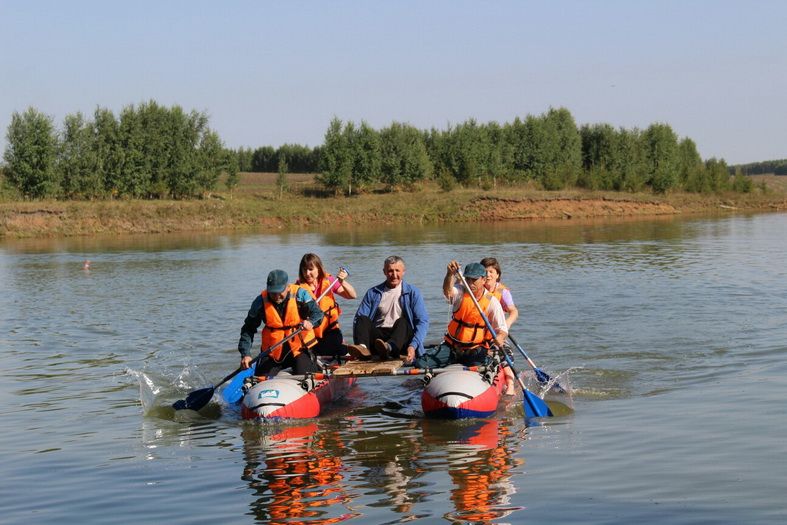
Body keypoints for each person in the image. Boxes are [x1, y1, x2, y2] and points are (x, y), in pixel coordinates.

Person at [413, 261, 507, 369]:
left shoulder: (492, 301)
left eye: (474, 280)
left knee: (480, 366)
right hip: (452, 347)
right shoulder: (460, 291)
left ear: (483, 280)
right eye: (468, 279)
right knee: (420, 364)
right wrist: (449, 274)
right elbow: (447, 291)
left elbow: (502, 329)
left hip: (475, 349)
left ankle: (489, 360)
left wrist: (500, 337)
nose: (470, 283)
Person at [238, 269, 324, 376]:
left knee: (305, 375)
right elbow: (248, 329)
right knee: (260, 379)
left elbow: (318, 314)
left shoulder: (301, 294)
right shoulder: (259, 302)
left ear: (287, 287)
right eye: (273, 292)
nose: (277, 296)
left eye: (280, 292)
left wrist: (311, 322)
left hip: (299, 349)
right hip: (273, 352)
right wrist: (245, 354)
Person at [350, 255, 429, 364]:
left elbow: (422, 322)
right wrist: (359, 340)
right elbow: (358, 321)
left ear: (403, 272)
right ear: (384, 272)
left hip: (399, 340)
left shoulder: (412, 292)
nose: (394, 275)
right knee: (361, 319)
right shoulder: (373, 292)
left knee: (403, 322)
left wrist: (413, 346)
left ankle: (389, 347)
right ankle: (363, 348)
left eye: (397, 271)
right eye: (390, 271)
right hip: (378, 341)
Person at [295, 253, 366, 360]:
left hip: (330, 330)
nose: (307, 273)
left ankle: (344, 353)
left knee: (333, 347)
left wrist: (342, 282)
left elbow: (352, 295)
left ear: (318, 269)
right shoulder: (298, 287)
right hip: (310, 332)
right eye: (304, 270)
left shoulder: (329, 281)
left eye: (310, 269)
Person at [481, 257, 518, 395]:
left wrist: (506, 325)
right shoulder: (477, 289)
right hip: (478, 333)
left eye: (491, 271)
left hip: (496, 334)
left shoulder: (503, 292)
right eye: (485, 272)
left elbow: (514, 311)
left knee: (503, 352)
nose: (488, 275)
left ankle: (510, 385)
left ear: (497, 275)